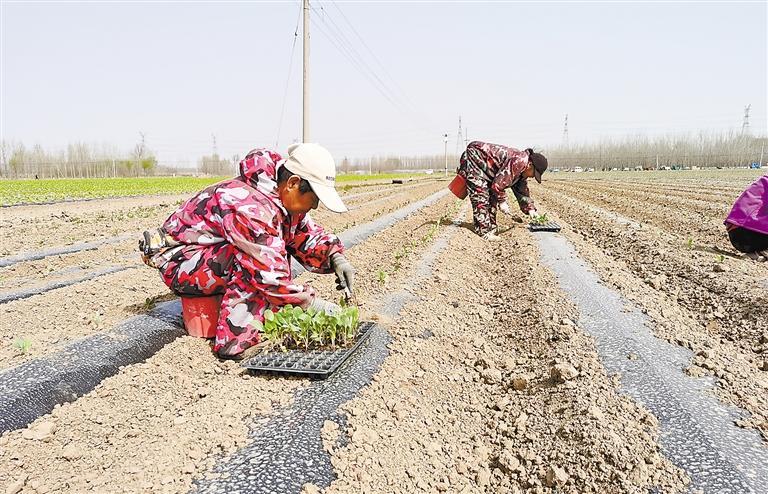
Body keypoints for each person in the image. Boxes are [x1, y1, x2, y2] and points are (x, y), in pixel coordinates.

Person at [142, 143, 355, 359]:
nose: (316, 206)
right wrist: (312, 303)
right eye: (315, 198)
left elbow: (303, 233)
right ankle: (236, 344)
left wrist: (334, 256)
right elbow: (268, 275)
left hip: (205, 256)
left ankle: (255, 322)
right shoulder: (249, 205)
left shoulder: (280, 196)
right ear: (293, 183)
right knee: (251, 263)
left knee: (265, 254)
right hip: (179, 260)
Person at [457, 141, 548, 240]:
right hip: (475, 158)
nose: (532, 177)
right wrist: (502, 202)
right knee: (481, 195)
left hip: (487, 169)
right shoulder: (519, 161)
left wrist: (530, 209)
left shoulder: (522, 170)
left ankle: (491, 227)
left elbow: (521, 190)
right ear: (530, 165)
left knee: (492, 196)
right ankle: (484, 232)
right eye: (533, 174)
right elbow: (498, 184)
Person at [725, 175, 768, 260]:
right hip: (749, 234)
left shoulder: (764, 180)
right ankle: (763, 252)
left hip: (736, 234)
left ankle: (758, 253)